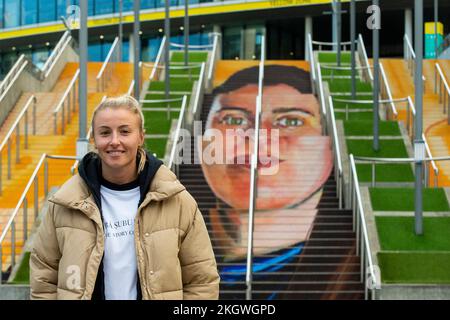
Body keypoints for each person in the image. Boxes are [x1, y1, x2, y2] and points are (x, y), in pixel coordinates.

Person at [30, 95, 220, 300]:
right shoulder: (65, 204)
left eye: (125, 131)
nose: (114, 141)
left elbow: (202, 281)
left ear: (141, 137)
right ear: (94, 139)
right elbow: (44, 276)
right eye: (105, 133)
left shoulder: (178, 202)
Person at [199, 65, 357, 299]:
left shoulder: (351, 272)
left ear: (331, 144)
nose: (258, 138)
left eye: (292, 122)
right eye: (233, 119)